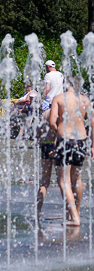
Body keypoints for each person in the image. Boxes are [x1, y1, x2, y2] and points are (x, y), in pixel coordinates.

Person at [47, 75, 92, 226]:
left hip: (65, 140)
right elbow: (92, 123)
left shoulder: (58, 98)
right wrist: (93, 146)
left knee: (63, 181)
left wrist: (58, 130)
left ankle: (74, 217)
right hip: (81, 140)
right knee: (77, 179)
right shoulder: (85, 100)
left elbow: (52, 122)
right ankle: (75, 214)